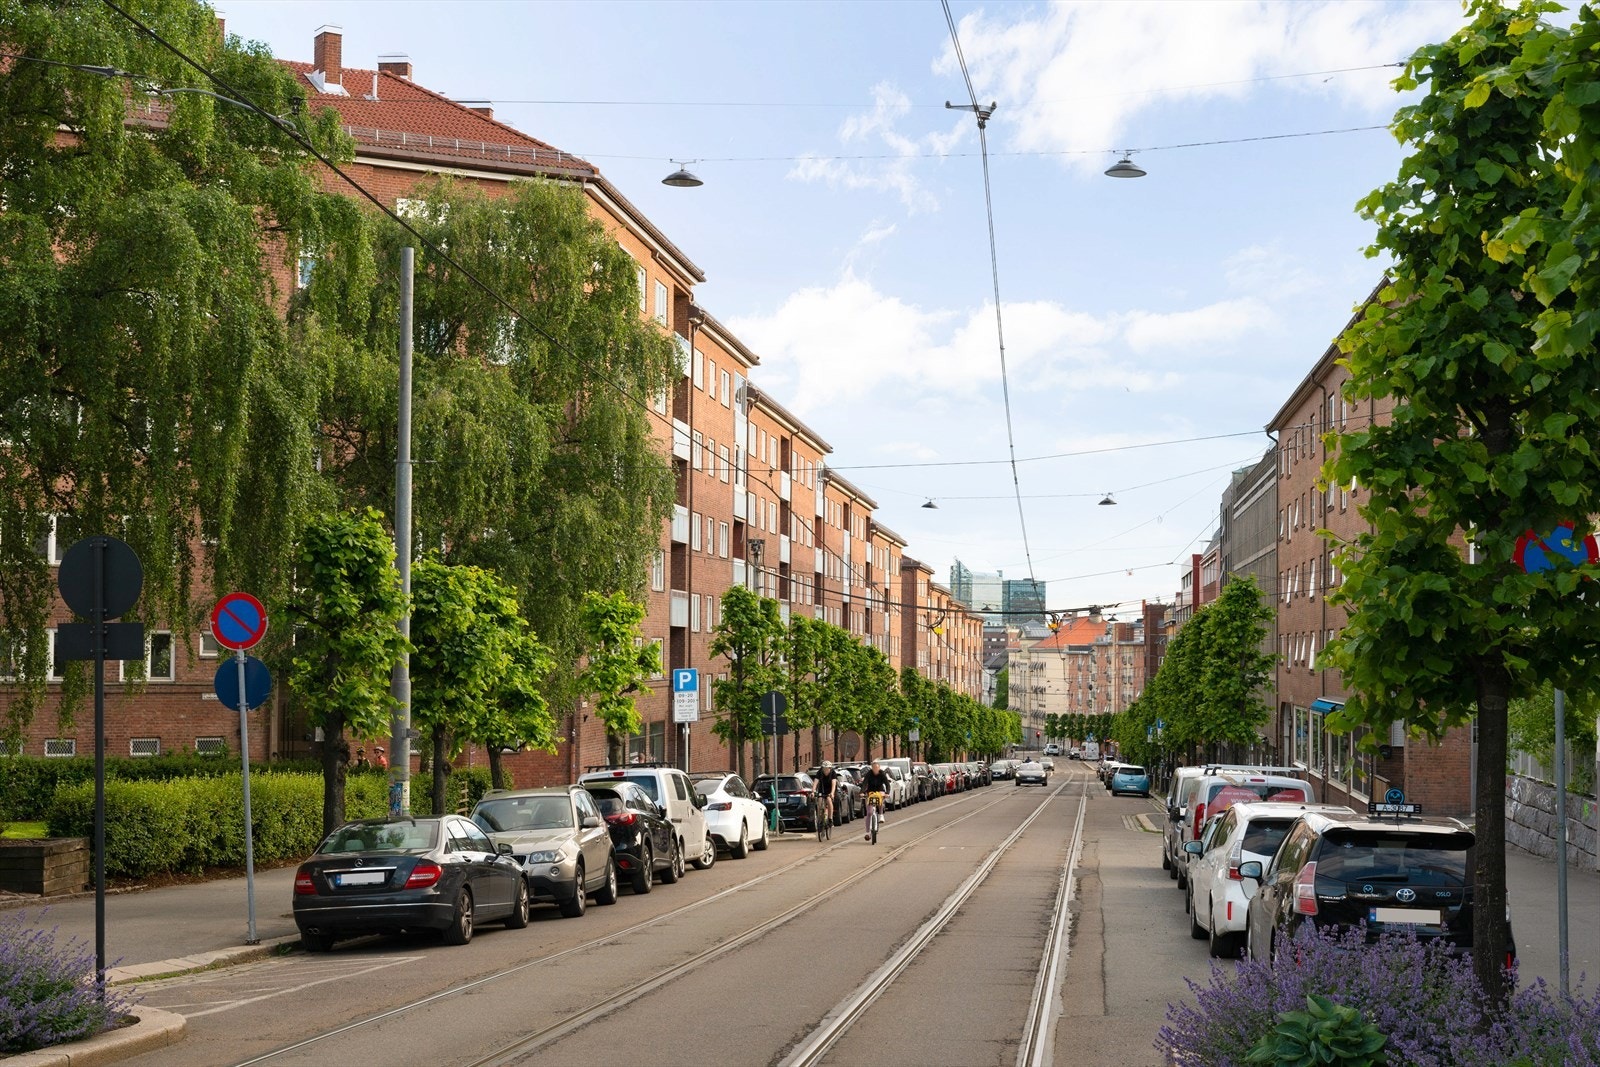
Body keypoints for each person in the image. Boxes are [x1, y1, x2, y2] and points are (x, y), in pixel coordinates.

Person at [860, 758, 891, 840]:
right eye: (874, 768)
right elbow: (864, 783)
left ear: (879, 768)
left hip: (879, 790)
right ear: (872, 768)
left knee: (880, 796)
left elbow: (887, 784)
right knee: (869, 813)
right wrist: (862, 792)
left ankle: (881, 814)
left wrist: (887, 793)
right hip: (870, 792)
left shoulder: (882, 774)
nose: (875, 770)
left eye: (877, 768)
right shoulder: (869, 774)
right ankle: (867, 833)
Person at [813, 760, 839, 827]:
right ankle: (821, 819)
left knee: (829, 800)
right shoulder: (819, 772)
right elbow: (815, 782)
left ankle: (830, 819)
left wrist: (832, 793)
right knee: (820, 802)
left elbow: (834, 784)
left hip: (830, 789)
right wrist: (813, 791)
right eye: (824, 769)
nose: (825, 771)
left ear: (830, 768)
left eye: (827, 769)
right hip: (822, 788)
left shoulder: (833, 773)